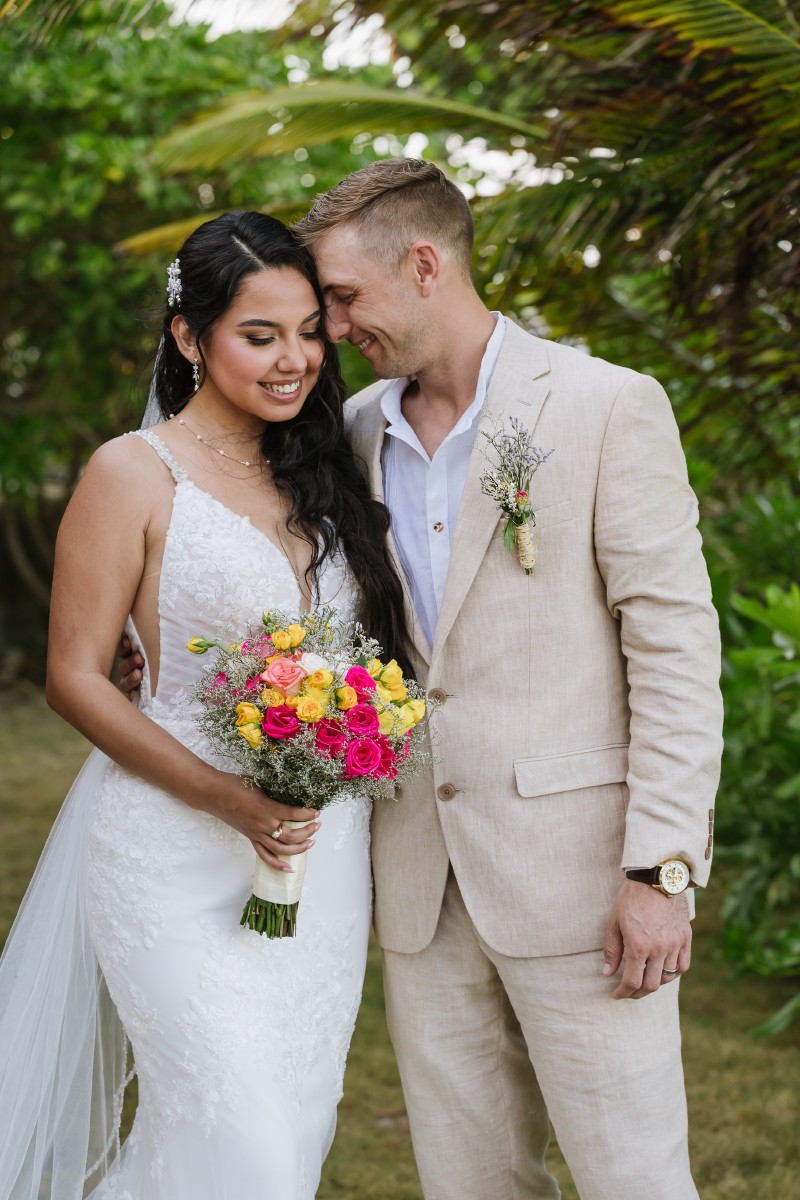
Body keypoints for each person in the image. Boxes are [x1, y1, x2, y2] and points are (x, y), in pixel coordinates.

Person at [290, 159, 723, 1200]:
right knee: (468, 1182)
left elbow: (673, 651)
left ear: (425, 265)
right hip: (421, 887)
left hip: (582, 884)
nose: (333, 330)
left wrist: (658, 872)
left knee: (632, 1178)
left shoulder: (604, 405)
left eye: (343, 298)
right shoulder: (352, 435)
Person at [0, 210, 411, 1200]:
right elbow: (75, 676)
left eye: (309, 330)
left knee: (288, 1131)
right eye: (258, 335)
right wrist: (229, 799)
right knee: (245, 1150)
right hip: (170, 849)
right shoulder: (131, 473)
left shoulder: (324, 474)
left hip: (321, 855)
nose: (294, 360)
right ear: (189, 337)